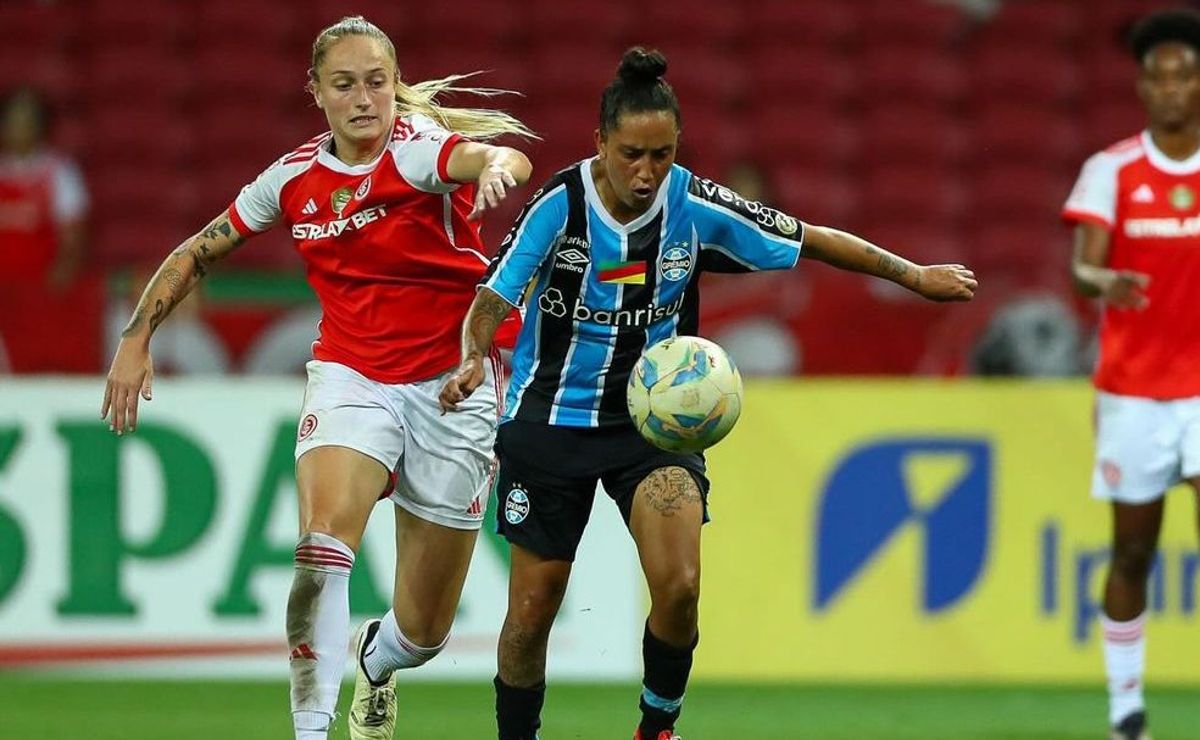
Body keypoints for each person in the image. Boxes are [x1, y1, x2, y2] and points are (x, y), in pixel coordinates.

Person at [440, 48, 976, 740]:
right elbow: (493, 295)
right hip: (551, 421)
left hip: (652, 426)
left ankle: (657, 728)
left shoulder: (692, 204)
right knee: (532, 611)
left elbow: (810, 237)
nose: (646, 172)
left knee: (682, 585)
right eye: (632, 153)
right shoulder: (559, 206)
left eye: (661, 154)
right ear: (600, 143)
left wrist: (914, 275)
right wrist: (472, 356)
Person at [100, 16, 533, 740]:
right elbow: (200, 250)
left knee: (423, 631)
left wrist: (495, 170)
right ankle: (310, 731)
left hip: (451, 384)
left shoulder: (420, 153)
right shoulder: (293, 178)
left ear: (394, 85)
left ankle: (378, 658)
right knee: (322, 546)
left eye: (377, 82)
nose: (365, 99)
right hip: (350, 377)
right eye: (345, 84)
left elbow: (498, 161)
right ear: (317, 93)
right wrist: (136, 334)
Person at [1062, 9, 1200, 740]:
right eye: (1158, 76)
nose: (1171, 87)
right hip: (1135, 391)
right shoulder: (1112, 169)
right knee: (1133, 552)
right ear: (1143, 88)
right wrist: (1101, 279)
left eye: (1184, 74)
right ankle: (1126, 713)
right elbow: (1082, 264)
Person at [0, 87, 87, 293]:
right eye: (13, 121)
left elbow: (73, 237)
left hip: (41, 288)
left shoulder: (60, 172)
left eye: (27, 121)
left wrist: (61, 275)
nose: (19, 128)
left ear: (41, 126)